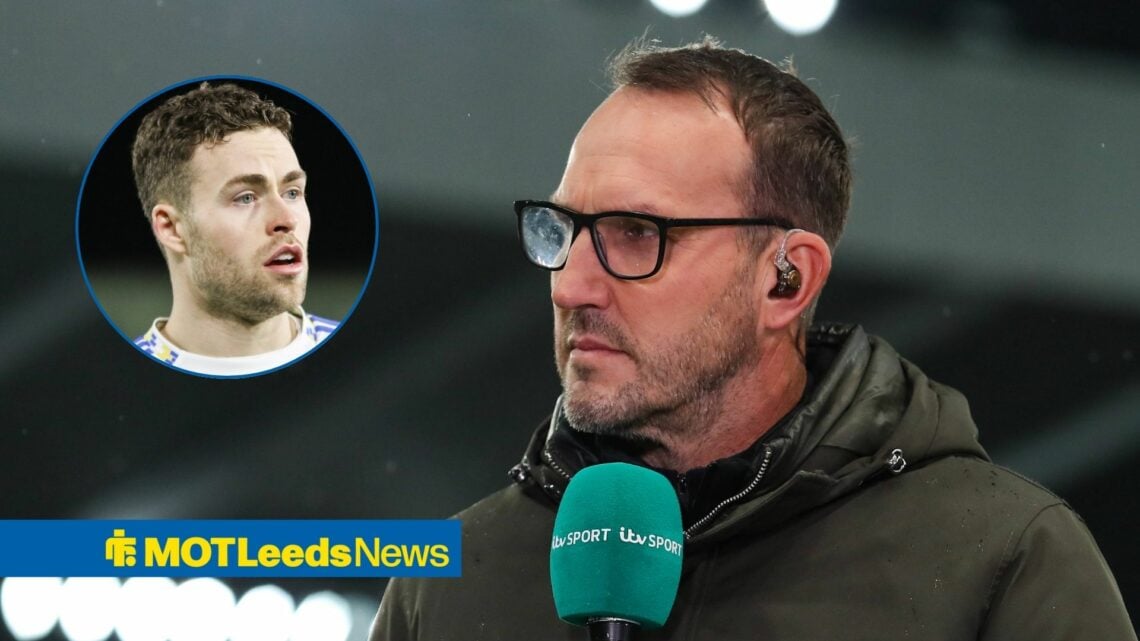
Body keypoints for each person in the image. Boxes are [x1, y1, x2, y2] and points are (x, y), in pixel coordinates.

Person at [373, 38, 1136, 639]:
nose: (570, 285)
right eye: (562, 230)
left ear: (787, 281)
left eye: (637, 234)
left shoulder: (1001, 563)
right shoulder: (454, 578)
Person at [130, 82, 338, 376]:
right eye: (246, 198)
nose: (286, 219)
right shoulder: (120, 385)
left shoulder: (366, 358)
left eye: (292, 192)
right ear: (172, 228)